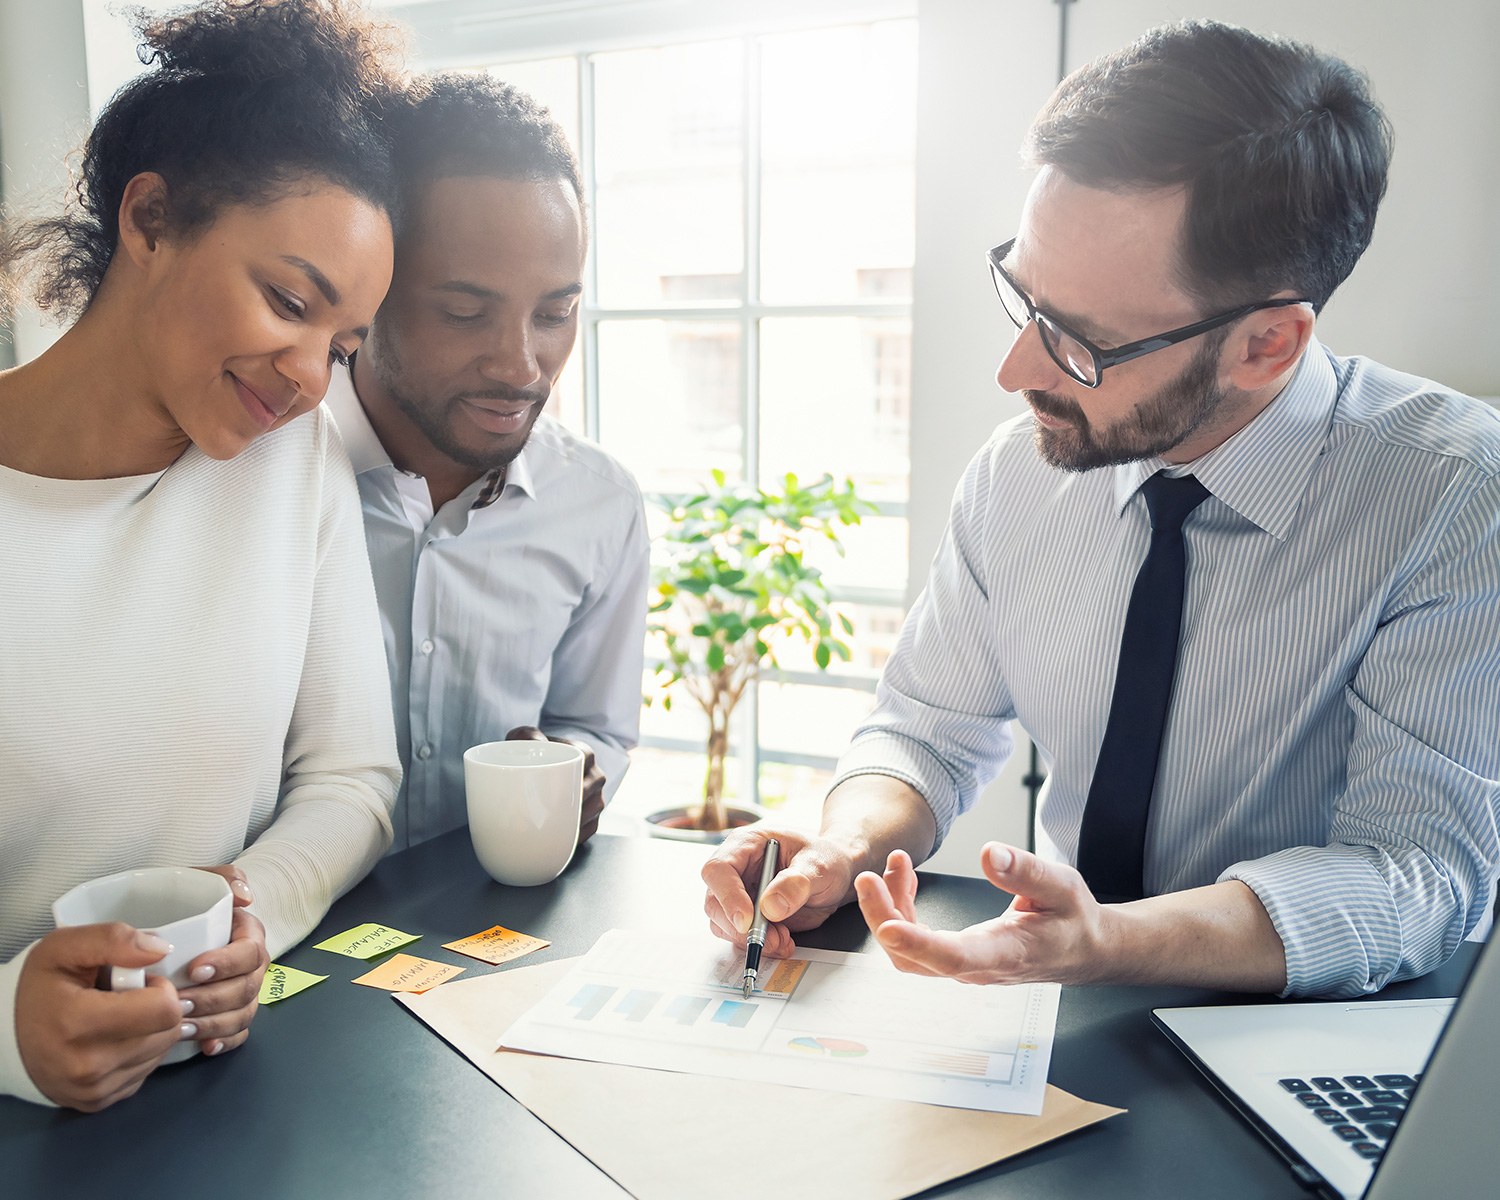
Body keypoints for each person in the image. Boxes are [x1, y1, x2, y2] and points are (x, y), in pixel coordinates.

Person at [703, 20, 1500, 999]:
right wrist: (845, 843)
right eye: (1023, 298)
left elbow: (1417, 873)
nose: (1015, 370)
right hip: (1061, 1022)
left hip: (1307, 1039)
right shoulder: (1019, 476)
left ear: (1268, 345)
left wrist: (1107, 942)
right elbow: (924, 730)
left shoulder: (1456, 497)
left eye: (1082, 343)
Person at [0, 0, 405, 1110]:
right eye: (287, 301)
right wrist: (7, 1029)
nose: (310, 376)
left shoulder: (290, 466)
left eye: (343, 345)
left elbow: (353, 779)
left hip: (221, 1100)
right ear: (151, 218)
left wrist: (253, 915)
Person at [322, 73, 648, 852]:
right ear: (372, 287)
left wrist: (576, 769)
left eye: (555, 313)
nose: (522, 366)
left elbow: (595, 725)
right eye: (466, 313)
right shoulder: (262, 475)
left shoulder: (599, 505)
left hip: (492, 936)